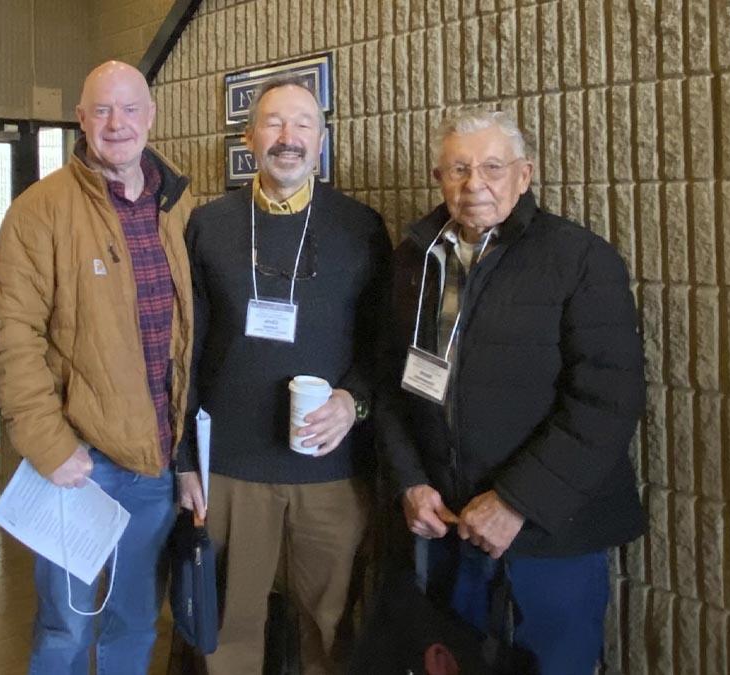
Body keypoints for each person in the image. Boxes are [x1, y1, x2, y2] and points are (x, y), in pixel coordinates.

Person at [376, 109, 646, 674]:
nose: (475, 183)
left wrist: (516, 502)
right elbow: (391, 383)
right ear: (438, 178)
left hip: (549, 533)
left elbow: (607, 401)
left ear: (525, 175)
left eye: (493, 167)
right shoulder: (415, 259)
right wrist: (409, 481)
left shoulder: (579, 259)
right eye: (458, 168)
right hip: (448, 525)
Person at [0, 61, 193, 674]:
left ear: (150, 118)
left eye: (130, 109)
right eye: (101, 110)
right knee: (66, 631)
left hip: (156, 461)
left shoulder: (176, 205)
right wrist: (49, 446)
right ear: (80, 119)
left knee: (134, 626)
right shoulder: (39, 210)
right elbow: (11, 337)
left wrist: (184, 459)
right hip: (79, 467)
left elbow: (186, 338)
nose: (116, 123)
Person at [175, 75, 391, 674]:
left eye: (303, 124)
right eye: (273, 122)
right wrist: (184, 460)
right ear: (249, 136)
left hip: (330, 467)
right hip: (230, 468)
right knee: (228, 628)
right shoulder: (209, 225)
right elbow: (184, 349)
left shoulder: (361, 227)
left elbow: (382, 343)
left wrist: (355, 402)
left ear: (321, 141)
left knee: (330, 624)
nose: (287, 137)